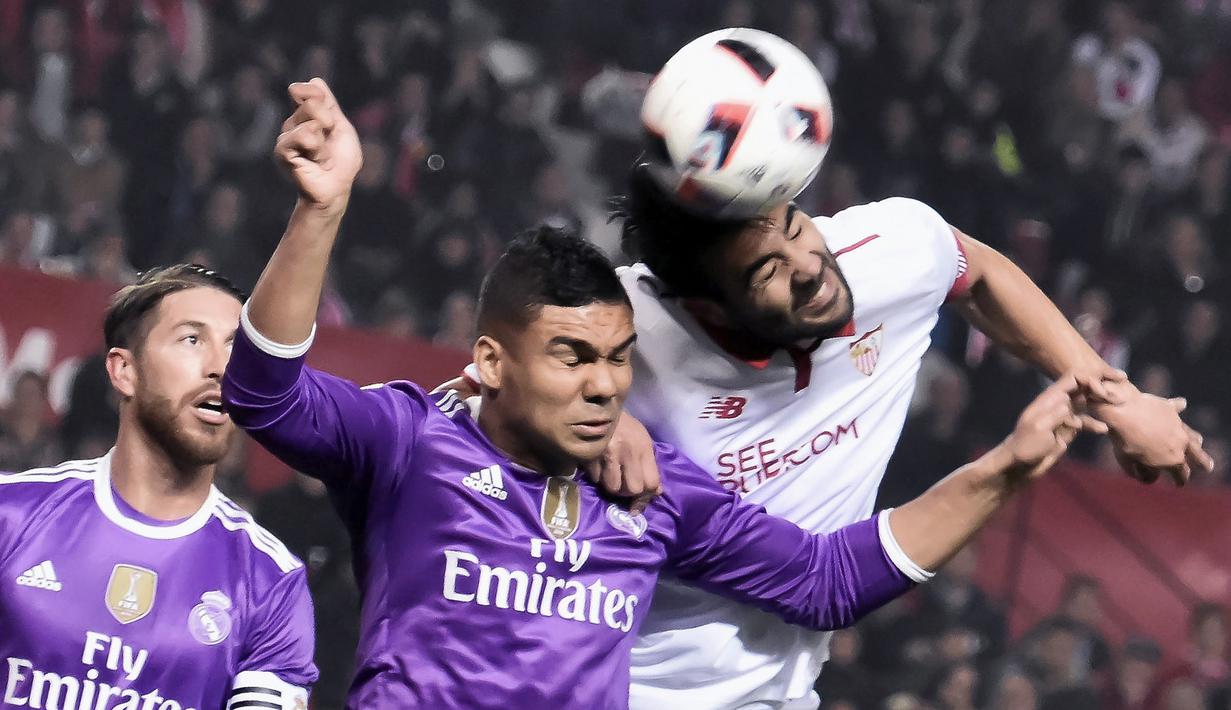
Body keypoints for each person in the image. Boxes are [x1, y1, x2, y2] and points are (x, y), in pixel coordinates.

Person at [222, 78, 1105, 709]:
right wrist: (320, 211)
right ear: (490, 361)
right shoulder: (414, 442)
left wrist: (1006, 466)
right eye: (572, 357)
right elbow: (266, 397)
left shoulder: (654, 492)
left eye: (616, 358)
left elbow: (826, 581)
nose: (605, 383)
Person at [603, 78, 1210, 710]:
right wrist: (592, 410)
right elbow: (521, 337)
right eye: (767, 271)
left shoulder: (881, 253)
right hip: (632, 689)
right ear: (705, 306)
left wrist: (1118, 402)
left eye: (793, 226)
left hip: (787, 688)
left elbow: (978, 273)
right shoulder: (627, 333)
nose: (808, 266)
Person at [0, 265, 316, 709]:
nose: (221, 368)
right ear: (124, 370)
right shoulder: (11, 516)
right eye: (192, 339)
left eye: (236, 348)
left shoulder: (270, 581)